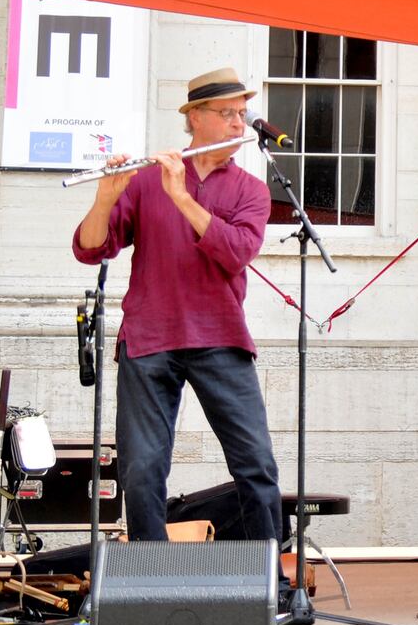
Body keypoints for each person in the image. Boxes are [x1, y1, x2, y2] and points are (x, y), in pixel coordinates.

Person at [72, 66, 282, 545]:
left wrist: (182, 198)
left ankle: (269, 582)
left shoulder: (250, 189)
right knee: (142, 468)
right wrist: (106, 197)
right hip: (149, 337)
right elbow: (89, 249)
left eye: (241, 114)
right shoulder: (148, 179)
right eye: (227, 113)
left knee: (255, 463)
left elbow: (235, 253)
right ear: (196, 119)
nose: (237, 124)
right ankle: (151, 577)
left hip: (220, 336)